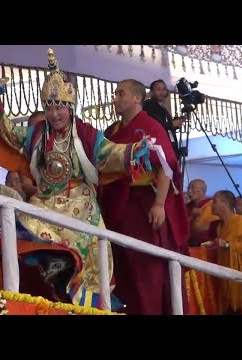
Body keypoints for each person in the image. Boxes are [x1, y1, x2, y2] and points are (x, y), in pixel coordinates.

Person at [0, 49, 150, 310]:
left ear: (70, 108)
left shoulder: (84, 133)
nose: (55, 114)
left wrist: (134, 149)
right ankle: (57, 268)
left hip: (80, 203)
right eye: (50, 108)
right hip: (47, 201)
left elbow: (108, 151)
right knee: (24, 221)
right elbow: (10, 135)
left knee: (93, 252)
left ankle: (85, 298)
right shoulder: (38, 133)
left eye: (60, 107)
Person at [98, 79, 190, 315]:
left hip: (143, 205)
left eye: (121, 93)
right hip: (115, 205)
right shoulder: (112, 131)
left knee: (146, 267)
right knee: (121, 266)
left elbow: (167, 166)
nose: (115, 98)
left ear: (138, 98)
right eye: (115, 94)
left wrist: (159, 204)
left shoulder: (151, 126)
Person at [209, 190, 242, 314]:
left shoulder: (240, 221)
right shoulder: (219, 227)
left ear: (225, 203)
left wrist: (227, 244)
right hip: (224, 273)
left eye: (215, 201)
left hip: (239, 271)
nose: (211, 204)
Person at [143, 79, 184, 160]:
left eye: (164, 89)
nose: (161, 92)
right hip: (157, 152)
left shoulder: (163, 109)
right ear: (151, 92)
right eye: (158, 89)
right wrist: (172, 124)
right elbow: (154, 127)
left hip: (168, 152)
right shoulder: (149, 105)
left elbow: (167, 130)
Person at [186, 179, 220, 246]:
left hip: (203, 245)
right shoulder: (188, 206)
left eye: (193, 188)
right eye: (188, 188)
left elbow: (212, 229)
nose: (189, 191)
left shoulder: (211, 206)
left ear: (203, 190)